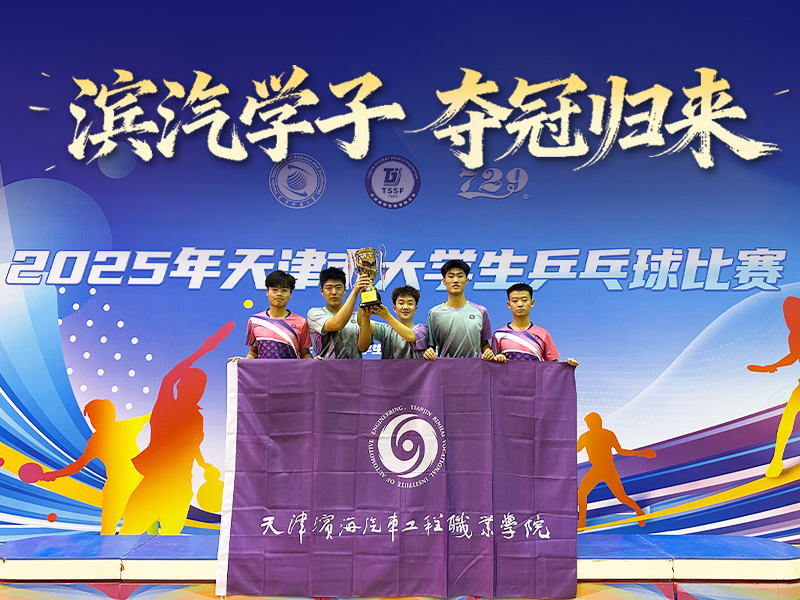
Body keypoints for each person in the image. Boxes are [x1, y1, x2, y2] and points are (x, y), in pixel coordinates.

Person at [119, 321, 234, 535]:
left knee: (171, 539)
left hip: (180, 484)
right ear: (180, 386)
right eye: (192, 385)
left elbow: (190, 447)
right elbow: (169, 378)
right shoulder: (166, 406)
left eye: (200, 388)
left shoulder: (196, 418)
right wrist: (202, 350)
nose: (197, 391)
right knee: (129, 533)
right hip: (156, 480)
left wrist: (203, 464)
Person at [39, 399, 150, 534]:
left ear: (109, 415)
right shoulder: (99, 439)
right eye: (92, 418)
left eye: (95, 416)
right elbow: (77, 466)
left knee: (134, 522)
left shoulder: (124, 427)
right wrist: (54, 474)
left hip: (135, 485)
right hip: (119, 488)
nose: (93, 421)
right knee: (110, 527)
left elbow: (151, 415)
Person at [748, 296, 800, 478]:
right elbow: (793, 356)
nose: (788, 318)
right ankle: (777, 460)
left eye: (791, 313)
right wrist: (773, 365)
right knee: (788, 415)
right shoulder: (793, 336)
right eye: (786, 314)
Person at [577, 412, 656, 529]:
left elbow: (620, 451)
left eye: (593, 422)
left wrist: (640, 453)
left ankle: (639, 511)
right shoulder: (585, 437)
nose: (591, 425)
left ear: (599, 422)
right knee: (582, 493)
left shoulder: (608, 434)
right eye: (589, 423)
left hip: (608, 468)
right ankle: (582, 523)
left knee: (621, 497)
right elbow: (576, 449)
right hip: (596, 469)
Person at [231, 270, 312, 360]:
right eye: (274, 289)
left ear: (290, 293)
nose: (279, 293)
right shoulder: (254, 321)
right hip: (263, 369)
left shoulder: (301, 322)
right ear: (267, 291)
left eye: (284, 290)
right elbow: (254, 352)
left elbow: (305, 354)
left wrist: (315, 363)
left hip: (291, 369)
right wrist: (245, 361)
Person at [492, 283, 578, 365]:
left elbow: (554, 366)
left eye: (524, 300)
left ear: (532, 303)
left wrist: (567, 366)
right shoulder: (499, 335)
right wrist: (497, 359)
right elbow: (491, 366)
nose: (520, 304)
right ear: (509, 304)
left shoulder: (543, 334)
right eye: (515, 301)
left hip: (535, 377)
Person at [424, 259, 493, 360]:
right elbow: (431, 346)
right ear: (444, 281)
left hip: (474, 368)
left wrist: (488, 352)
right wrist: (428, 352)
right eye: (451, 276)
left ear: (466, 280)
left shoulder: (481, 311)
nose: (455, 280)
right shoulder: (434, 313)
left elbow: (484, 344)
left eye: (460, 276)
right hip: (445, 368)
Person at [307, 267, 371, 359]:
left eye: (338, 288)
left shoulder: (357, 317)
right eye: (328, 288)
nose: (334, 292)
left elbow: (363, 347)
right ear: (322, 291)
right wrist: (355, 292)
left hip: (354, 368)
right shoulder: (314, 314)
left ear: (344, 290)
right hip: (325, 367)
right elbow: (337, 324)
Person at [357, 285, 428, 359]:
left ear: (415, 309)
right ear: (394, 308)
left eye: (410, 304)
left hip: (415, 367)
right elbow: (361, 323)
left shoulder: (423, 330)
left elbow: (410, 336)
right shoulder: (386, 330)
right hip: (388, 367)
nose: (405, 307)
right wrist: (364, 302)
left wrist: (387, 316)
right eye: (401, 303)